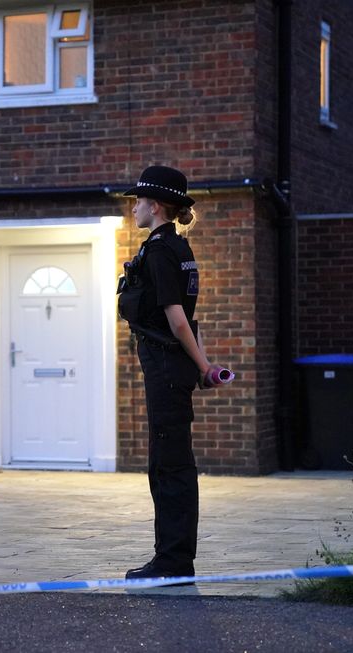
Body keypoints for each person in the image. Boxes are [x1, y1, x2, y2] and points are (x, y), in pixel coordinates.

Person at [117, 165, 231, 582]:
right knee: (172, 462)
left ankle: (173, 561)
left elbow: (177, 318)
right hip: (171, 365)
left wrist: (203, 366)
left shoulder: (162, 250)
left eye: (139, 201)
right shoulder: (177, 247)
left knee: (169, 466)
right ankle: (173, 558)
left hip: (167, 365)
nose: (134, 208)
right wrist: (198, 364)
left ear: (157, 205)